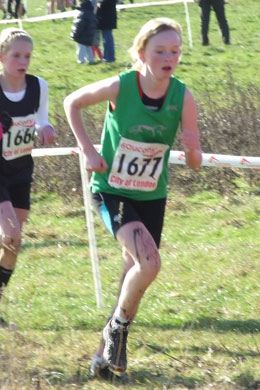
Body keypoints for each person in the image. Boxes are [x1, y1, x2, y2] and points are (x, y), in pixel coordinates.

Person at [64, 17, 202, 379]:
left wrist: (192, 149)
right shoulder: (122, 86)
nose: (168, 57)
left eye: (175, 51)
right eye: (160, 51)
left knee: (134, 280)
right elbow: (72, 103)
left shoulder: (182, 95)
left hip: (151, 196)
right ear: (142, 53)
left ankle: (101, 360)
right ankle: (116, 330)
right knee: (150, 264)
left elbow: (195, 162)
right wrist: (88, 151)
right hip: (112, 189)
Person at [0, 28, 56, 325]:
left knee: (12, 244)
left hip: (21, 169)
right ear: (1, 57)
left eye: (27, 56)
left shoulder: (38, 86)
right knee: (11, 234)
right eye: (16, 55)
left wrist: (44, 131)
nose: (23, 61)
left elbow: (41, 122)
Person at [71, 0, 96, 64]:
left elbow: (79, 25)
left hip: (82, 35)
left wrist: (76, 34)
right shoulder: (91, 12)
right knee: (88, 48)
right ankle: (91, 59)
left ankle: (81, 60)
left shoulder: (83, 14)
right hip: (89, 34)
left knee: (81, 49)